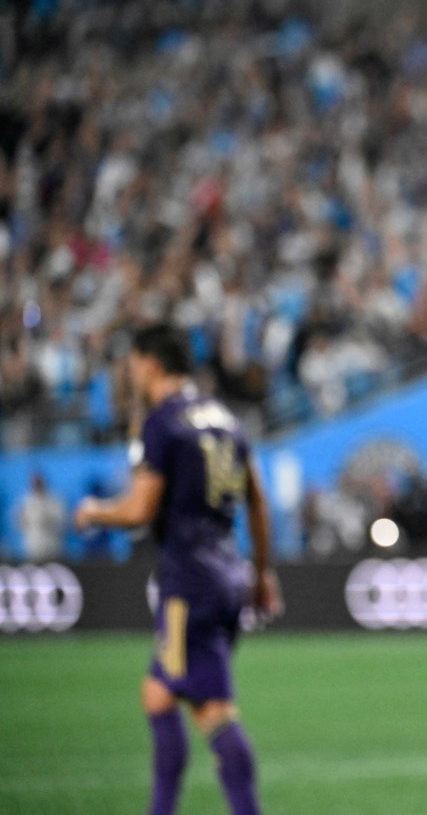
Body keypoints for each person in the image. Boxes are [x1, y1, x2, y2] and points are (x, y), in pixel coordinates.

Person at [75, 324, 281, 815]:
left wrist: (93, 511)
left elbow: (140, 511)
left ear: (149, 362)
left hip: (189, 580)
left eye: (132, 365)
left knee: (213, 710)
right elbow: (258, 501)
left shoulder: (164, 422)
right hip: (226, 573)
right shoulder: (225, 419)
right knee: (159, 693)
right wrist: (261, 573)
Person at [19, 473, 66, 561]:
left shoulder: (54, 500)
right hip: (33, 547)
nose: (36, 485)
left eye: (38, 483)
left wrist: (45, 516)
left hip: (51, 546)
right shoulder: (26, 501)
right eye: (34, 483)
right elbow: (21, 522)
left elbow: (61, 522)